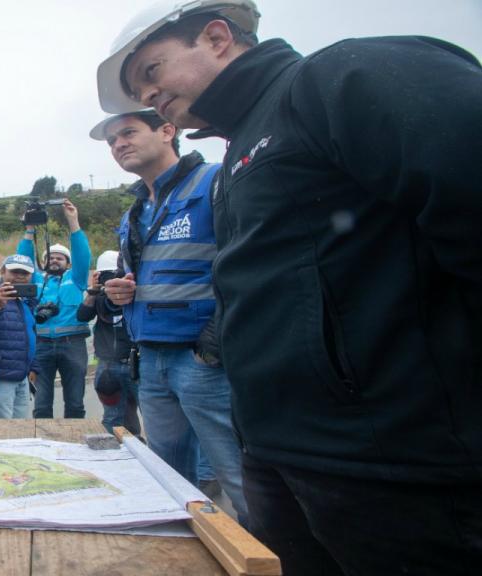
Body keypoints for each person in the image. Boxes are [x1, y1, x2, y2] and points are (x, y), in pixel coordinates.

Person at [97, 0, 482, 573]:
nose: (148, 97)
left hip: (396, 466)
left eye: (152, 72)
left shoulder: (340, 78)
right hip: (283, 453)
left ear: (218, 37)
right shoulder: (241, 155)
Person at [89, 108, 247, 522]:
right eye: (111, 141)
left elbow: (251, 266)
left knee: (242, 478)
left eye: (128, 132)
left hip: (204, 361)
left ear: (167, 130)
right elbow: (152, 276)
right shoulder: (134, 214)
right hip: (150, 359)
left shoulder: (215, 182)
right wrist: (121, 292)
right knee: (170, 480)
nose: (118, 144)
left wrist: (211, 345)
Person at [17, 200, 91, 419]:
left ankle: (75, 445)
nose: (55, 260)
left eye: (60, 258)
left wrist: (73, 222)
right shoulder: (36, 280)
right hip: (41, 345)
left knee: (75, 402)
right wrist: (29, 229)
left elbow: (82, 255)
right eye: (50, 257)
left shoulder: (75, 279)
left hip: (73, 344)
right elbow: (23, 259)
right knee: (41, 404)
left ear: (68, 263)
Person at [76, 251, 139, 435]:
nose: (112, 280)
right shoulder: (99, 298)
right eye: (106, 275)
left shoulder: (135, 295)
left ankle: (137, 451)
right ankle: (112, 455)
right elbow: (82, 316)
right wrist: (93, 291)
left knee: (150, 415)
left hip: (136, 362)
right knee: (112, 417)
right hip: (108, 366)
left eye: (115, 275)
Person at [0, 254, 41, 419]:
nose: (20, 276)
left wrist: (33, 367)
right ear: (2, 271)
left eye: (25, 273)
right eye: (15, 271)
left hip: (22, 377)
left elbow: (30, 334)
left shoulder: (26, 301)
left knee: (19, 432)